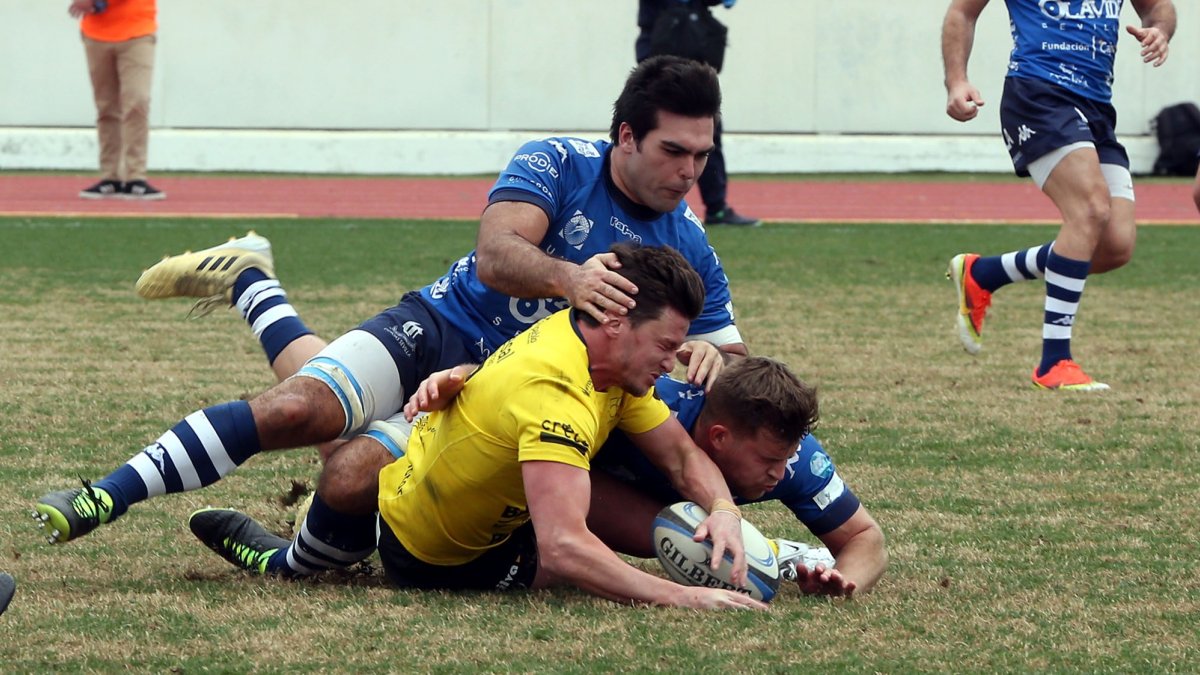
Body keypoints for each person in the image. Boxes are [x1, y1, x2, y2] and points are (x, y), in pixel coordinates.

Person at [34, 56, 748, 580]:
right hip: (437, 325)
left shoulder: (689, 240)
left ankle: (252, 287)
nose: (689, 173)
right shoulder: (558, 162)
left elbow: (733, 361)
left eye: (702, 156)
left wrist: (721, 360)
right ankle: (103, 496)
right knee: (300, 406)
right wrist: (572, 278)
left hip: (485, 395)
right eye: (673, 151)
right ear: (626, 136)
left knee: (348, 466)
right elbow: (496, 254)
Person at [207, 244, 764, 609]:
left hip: (437, 477)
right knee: (579, 564)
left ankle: (257, 290)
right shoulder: (556, 395)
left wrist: (724, 511)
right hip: (436, 557)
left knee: (340, 442)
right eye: (666, 345)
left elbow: (682, 457)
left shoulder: (603, 359)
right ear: (616, 322)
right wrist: (683, 597)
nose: (672, 362)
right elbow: (565, 548)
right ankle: (288, 559)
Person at [941, 0, 1175, 390]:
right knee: (1090, 209)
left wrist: (1160, 31)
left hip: (1096, 106)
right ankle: (1054, 362)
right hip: (1038, 96)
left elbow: (1159, 8)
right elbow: (962, 12)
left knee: (1115, 246)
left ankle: (984, 274)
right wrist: (956, 80)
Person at [636, 0, 760, 227]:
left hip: (691, 65)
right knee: (651, 134)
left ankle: (717, 208)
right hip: (661, 63)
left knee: (707, 138)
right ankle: (643, 203)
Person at [68, 0, 165, 200]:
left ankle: (135, 176)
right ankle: (110, 176)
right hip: (96, 33)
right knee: (106, 108)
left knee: (137, 102)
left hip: (137, 31)